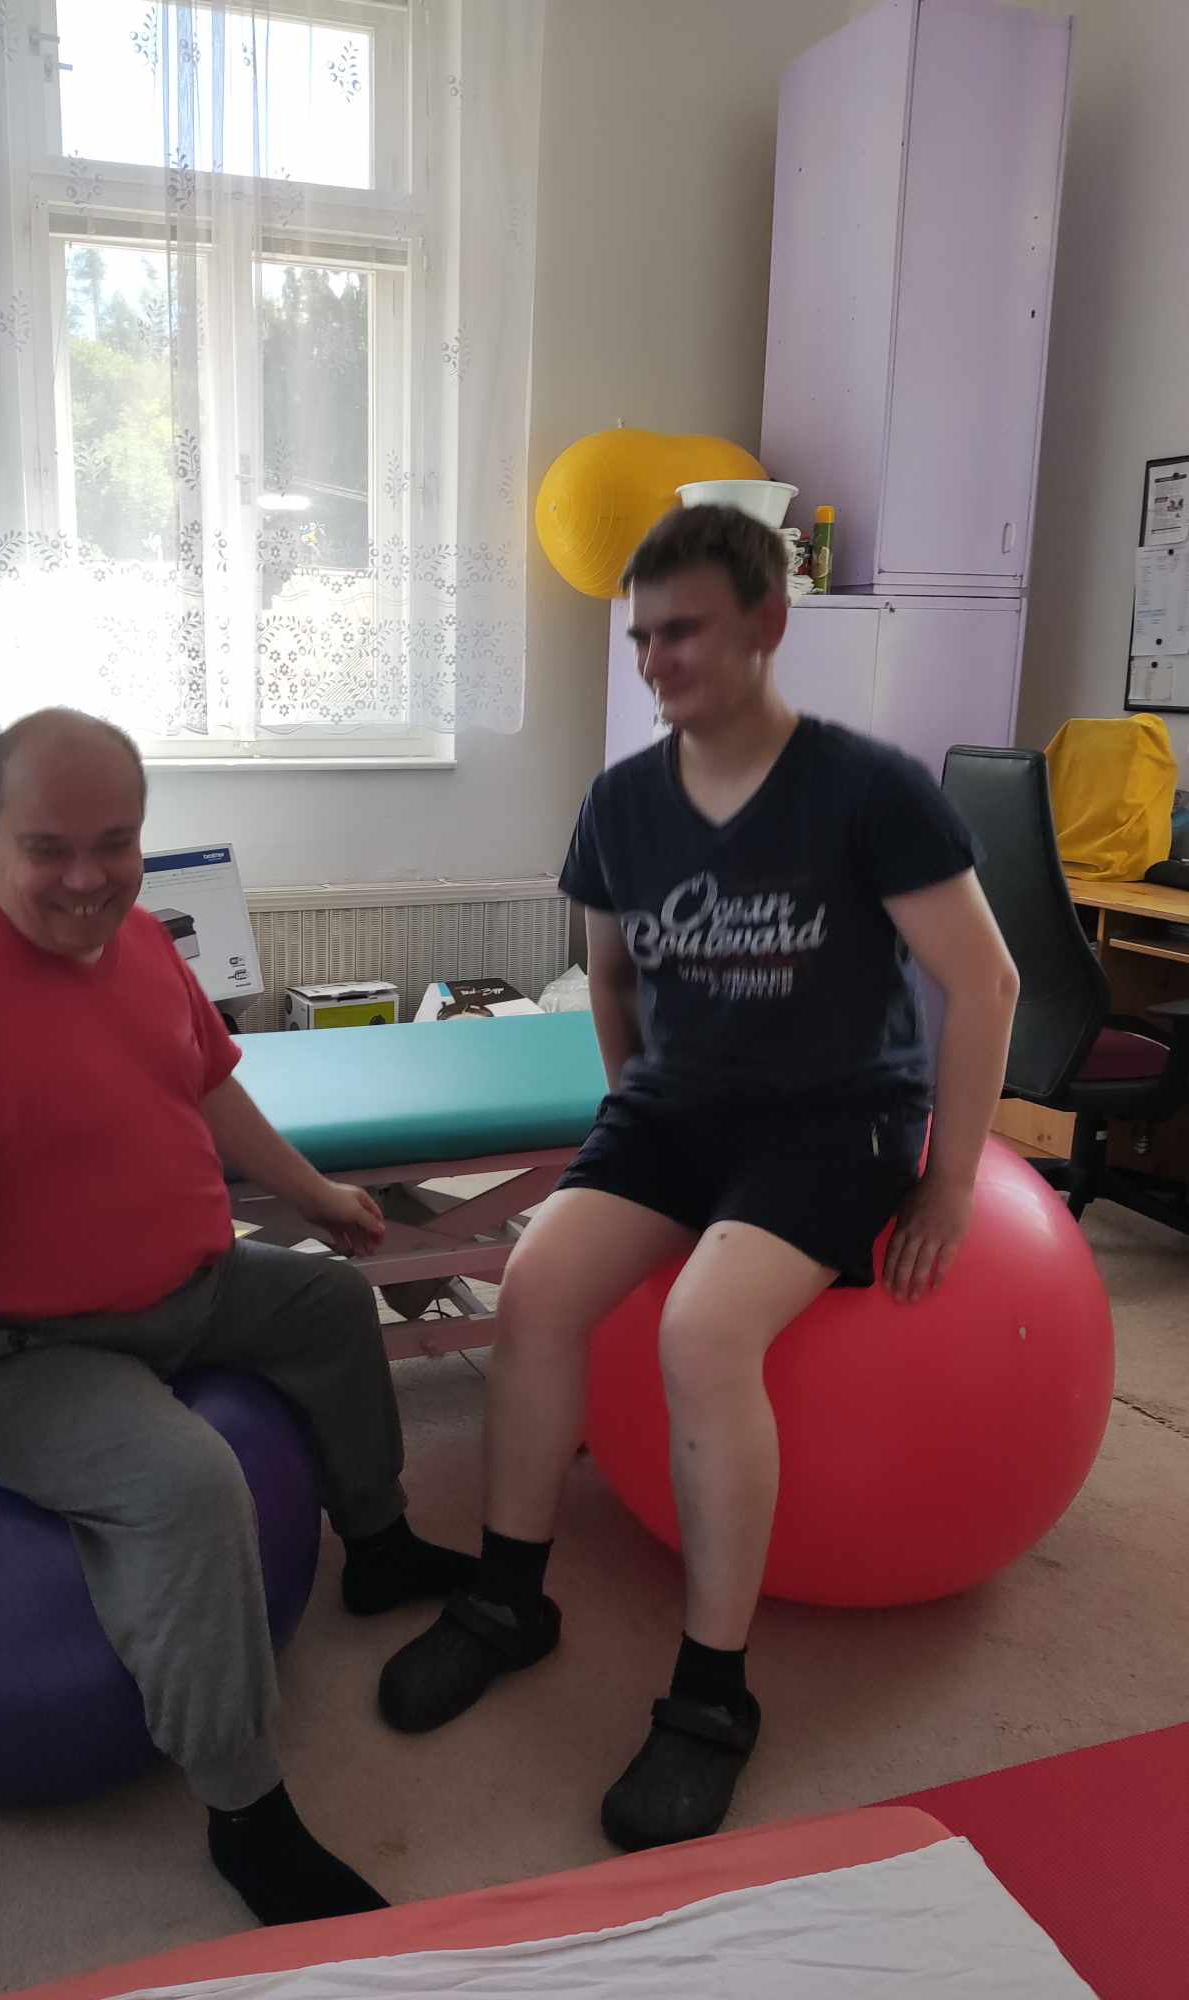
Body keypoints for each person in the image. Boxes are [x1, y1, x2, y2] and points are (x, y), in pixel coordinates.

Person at [378, 504, 1019, 1852]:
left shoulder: (867, 789)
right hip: (679, 1114)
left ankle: (714, 1694)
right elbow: (611, 977)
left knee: (701, 1330)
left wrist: (951, 1181)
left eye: (684, 632)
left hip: (836, 1120)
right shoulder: (621, 802)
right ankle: (508, 1597)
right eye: (642, 638)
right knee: (535, 1282)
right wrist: (636, 1113)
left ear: (767, 624)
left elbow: (987, 981)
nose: (657, 660)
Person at [0, 707, 476, 1926]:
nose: (87, 878)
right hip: (13, 1347)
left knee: (330, 1302)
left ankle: (379, 1545)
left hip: (180, 1285)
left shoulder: (137, 939)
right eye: (48, 847)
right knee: (190, 1482)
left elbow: (210, 1084)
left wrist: (313, 1193)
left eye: (113, 842)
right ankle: (247, 1813)